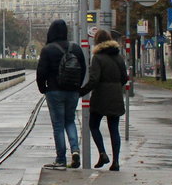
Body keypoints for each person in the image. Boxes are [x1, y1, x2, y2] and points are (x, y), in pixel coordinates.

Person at [36, 18, 86, 168]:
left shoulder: (48, 49)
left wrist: (42, 88)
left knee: (58, 125)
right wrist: (78, 87)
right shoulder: (76, 48)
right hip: (72, 91)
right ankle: (75, 150)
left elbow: (41, 72)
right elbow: (83, 69)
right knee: (70, 121)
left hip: (54, 90)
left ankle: (61, 159)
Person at [81, 29, 129, 170]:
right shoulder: (119, 57)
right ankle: (116, 162)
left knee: (94, 125)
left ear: (97, 41)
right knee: (114, 129)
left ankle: (102, 153)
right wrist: (116, 87)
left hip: (100, 97)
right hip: (115, 97)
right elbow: (124, 78)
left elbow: (94, 79)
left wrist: (82, 91)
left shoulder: (97, 57)